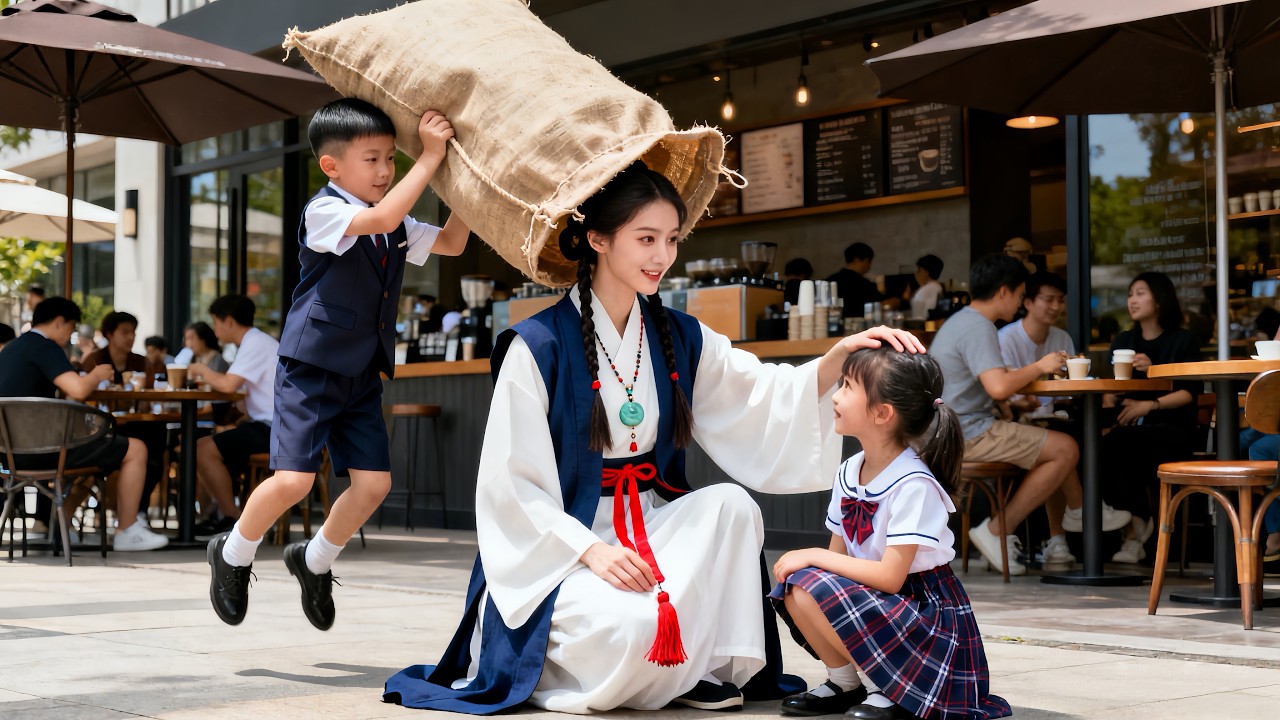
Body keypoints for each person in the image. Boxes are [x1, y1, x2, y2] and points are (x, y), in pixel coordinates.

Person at [382, 162, 926, 714]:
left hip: (652, 520)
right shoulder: (537, 346)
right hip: (563, 545)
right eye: (646, 239)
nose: (662, 255)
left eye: (671, 239)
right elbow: (509, 487)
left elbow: (760, 393)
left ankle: (702, 669)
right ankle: (652, 661)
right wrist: (592, 551)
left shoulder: (677, 334)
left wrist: (837, 358)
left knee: (732, 505)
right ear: (597, 239)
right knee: (629, 628)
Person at [206, 98, 470, 630]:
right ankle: (232, 554)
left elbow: (454, 242)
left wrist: (466, 182)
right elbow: (382, 217)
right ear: (332, 166)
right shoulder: (323, 211)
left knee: (374, 485)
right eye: (372, 159)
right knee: (294, 482)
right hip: (311, 367)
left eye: (390, 158)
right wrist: (429, 157)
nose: (385, 170)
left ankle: (315, 559)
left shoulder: (395, 222)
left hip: (362, 372)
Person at [769, 347, 1010, 720]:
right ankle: (844, 683)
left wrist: (813, 555)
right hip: (879, 598)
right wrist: (814, 563)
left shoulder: (914, 482)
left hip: (921, 610)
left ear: (882, 413)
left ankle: (892, 690)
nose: (835, 396)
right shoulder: (849, 470)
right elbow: (836, 561)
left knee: (810, 572)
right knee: (800, 585)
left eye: (848, 387)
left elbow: (891, 577)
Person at [930, 254, 1130, 575]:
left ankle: (1075, 514)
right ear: (1004, 292)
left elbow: (980, 385)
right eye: (1021, 294)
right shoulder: (980, 327)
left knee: (1053, 446)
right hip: (966, 433)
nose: (1021, 303)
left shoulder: (961, 322)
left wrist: (1013, 404)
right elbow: (998, 386)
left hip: (951, 428)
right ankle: (1000, 529)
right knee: (1065, 449)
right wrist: (1039, 366)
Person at [0, 297, 168, 551]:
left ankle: (62, 524)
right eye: (71, 328)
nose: (70, 335)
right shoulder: (45, 347)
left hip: (8, 454)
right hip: (43, 452)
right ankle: (127, 530)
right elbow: (78, 389)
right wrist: (97, 375)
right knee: (136, 449)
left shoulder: (11, 349)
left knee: (96, 449)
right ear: (60, 322)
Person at [1100, 272, 1201, 564]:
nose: (1132, 300)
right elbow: (1113, 389)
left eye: (1140, 293)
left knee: (1119, 445)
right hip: (1130, 427)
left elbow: (1189, 393)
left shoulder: (1182, 341)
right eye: (1130, 294)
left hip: (1173, 427)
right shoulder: (1124, 340)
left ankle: (1138, 528)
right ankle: (1135, 527)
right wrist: (1110, 397)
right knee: (1102, 447)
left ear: (1160, 299)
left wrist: (1150, 398)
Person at [189, 296, 279, 539]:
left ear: (228, 321)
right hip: (270, 424)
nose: (214, 329)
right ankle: (222, 515)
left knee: (202, 449)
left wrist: (202, 370)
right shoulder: (255, 342)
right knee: (211, 444)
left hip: (275, 428)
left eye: (215, 322)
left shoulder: (254, 343)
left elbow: (228, 385)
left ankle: (232, 519)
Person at [998, 272, 1074, 420]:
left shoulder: (1063, 338)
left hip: (1055, 418)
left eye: (1060, 300)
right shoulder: (1005, 338)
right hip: (1015, 420)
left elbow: (1068, 390)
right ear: (1027, 303)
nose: (1056, 307)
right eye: (1049, 300)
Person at [80, 311, 164, 386]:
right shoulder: (94, 360)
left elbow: (150, 392)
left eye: (133, 332)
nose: (131, 337)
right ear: (109, 334)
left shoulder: (142, 363)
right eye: (125, 332)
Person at [827, 243, 881, 318]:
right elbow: (876, 306)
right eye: (869, 261)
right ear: (862, 260)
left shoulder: (830, 281)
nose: (870, 265)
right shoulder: (865, 284)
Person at [908, 254, 945, 320]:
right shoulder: (936, 287)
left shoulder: (929, 289)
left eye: (919, 270)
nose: (916, 274)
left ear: (926, 272)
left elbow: (920, 315)